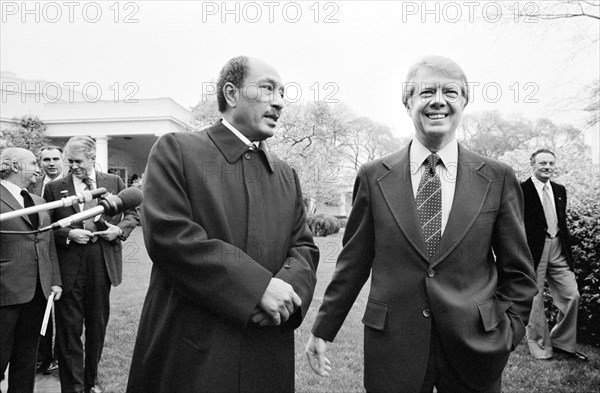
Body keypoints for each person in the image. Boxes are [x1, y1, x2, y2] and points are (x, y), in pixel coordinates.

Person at [305, 55, 538, 393]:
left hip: (476, 347)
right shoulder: (373, 177)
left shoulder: (497, 177)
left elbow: (519, 272)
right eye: (427, 91)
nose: (438, 101)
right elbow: (352, 263)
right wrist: (323, 329)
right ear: (408, 101)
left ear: (464, 102)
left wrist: (509, 332)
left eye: (451, 92)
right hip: (393, 348)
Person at [127, 56, 319, 393]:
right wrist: (257, 289)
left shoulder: (287, 174)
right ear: (231, 94)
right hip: (192, 353)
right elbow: (169, 237)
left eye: (283, 93)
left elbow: (304, 248)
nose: (279, 102)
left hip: (266, 350)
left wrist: (284, 294)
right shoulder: (176, 150)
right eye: (267, 88)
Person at [44, 136, 140, 393]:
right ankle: (73, 386)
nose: (73, 166)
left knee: (97, 325)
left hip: (101, 260)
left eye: (78, 161)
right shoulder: (54, 188)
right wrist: (68, 235)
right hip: (69, 263)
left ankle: (90, 381)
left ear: (92, 159)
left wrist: (118, 231)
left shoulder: (114, 182)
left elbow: (132, 213)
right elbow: (46, 229)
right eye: (69, 161)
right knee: (69, 328)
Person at [0, 147, 62, 392]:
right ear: (15, 166)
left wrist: (54, 280)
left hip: (37, 292)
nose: (39, 168)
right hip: (5, 292)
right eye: (34, 162)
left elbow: (47, 244)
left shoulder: (38, 202)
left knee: (26, 360)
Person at [522, 149, 587, 362]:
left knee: (572, 295)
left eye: (550, 163)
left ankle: (562, 343)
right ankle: (540, 346)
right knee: (535, 298)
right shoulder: (521, 190)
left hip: (558, 247)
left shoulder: (559, 190)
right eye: (542, 163)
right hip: (534, 251)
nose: (547, 167)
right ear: (532, 164)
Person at [28, 145, 65, 375]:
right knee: (41, 307)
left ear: (63, 160)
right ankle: (43, 357)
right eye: (46, 159)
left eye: (55, 159)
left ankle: (62, 357)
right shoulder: (33, 185)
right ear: (41, 162)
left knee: (65, 311)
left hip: (66, 253)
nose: (51, 163)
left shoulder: (70, 185)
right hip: (40, 256)